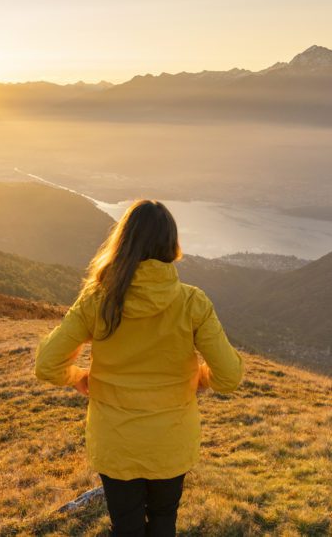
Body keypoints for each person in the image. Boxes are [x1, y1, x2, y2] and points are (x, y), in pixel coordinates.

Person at [34, 199, 243, 537]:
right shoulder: (192, 303)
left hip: (116, 444)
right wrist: (200, 378)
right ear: (172, 245)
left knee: (126, 527)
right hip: (171, 444)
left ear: (124, 241)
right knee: (163, 523)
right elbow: (230, 376)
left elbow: (46, 364)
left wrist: (78, 378)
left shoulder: (98, 299)